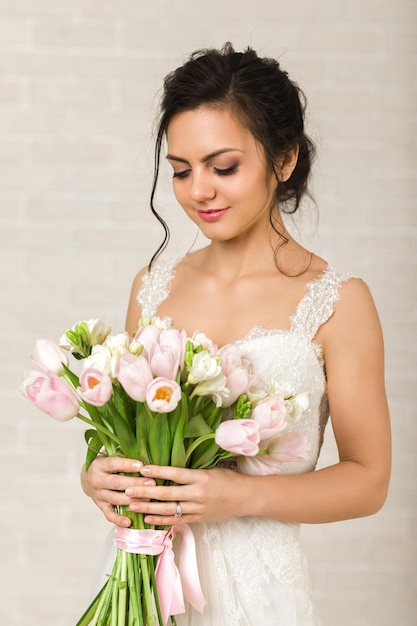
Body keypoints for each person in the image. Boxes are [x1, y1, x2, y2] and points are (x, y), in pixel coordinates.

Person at [81, 43, 391, 625]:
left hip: (259, 594)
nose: (198, 190)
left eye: (223, 167)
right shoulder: (153, 285)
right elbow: (126, 438)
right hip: (143, 576)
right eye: (180, 170)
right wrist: (97, 475)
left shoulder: (339, 302)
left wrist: (241, 497)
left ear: (284, 159)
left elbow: (368, 481)